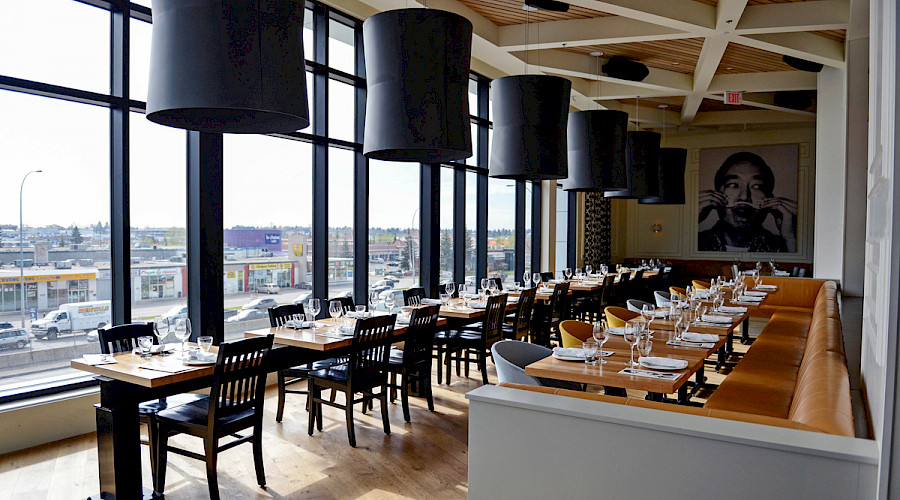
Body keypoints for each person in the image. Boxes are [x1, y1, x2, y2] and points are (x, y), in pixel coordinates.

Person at [698, 152, 797, 253]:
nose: (744, 197)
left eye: (757, 186)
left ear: (770, 200)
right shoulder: (696, 243)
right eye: (732, 185)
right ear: (716, 195)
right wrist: (688, 223)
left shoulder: (785, 247)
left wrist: (790, 240)